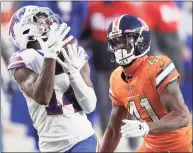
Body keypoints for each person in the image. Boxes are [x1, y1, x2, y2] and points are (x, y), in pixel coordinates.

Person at [7, 5, 99, 152]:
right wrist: (50, 55)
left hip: (82, 139)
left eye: (47, 18)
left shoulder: (73, 50)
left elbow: (89, 106)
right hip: (49, 145)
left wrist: (74, 75)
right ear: (24, 31)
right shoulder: (23, 60)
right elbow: (42, 96)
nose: (48, 23)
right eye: (39, 21)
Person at [100, 15, 192, 152]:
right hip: (150, 147)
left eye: (124, 41)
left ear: (141, 41)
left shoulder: (157, 67)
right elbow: (114, 132)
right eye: (115, 42)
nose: (119, 48)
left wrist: (145, 127)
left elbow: (182, 116)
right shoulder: (116, 78)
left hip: (179, 146)